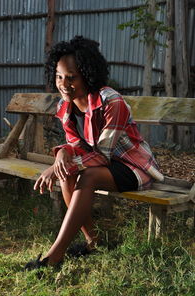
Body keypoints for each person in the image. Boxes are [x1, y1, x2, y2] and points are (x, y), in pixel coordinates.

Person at [25, 36, 163, 270]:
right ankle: (94, 242)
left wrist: (59, 164)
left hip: (133, 167)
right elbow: (75, 144)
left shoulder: (112, 102)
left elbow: (102, 155)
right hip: (103, 165)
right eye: (59, 76)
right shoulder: (64, 106)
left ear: (87, 75)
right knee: (66, 173)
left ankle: (54, 256)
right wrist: (60, 155)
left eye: (71, 77)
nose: (64, 84)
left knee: (85, 176)